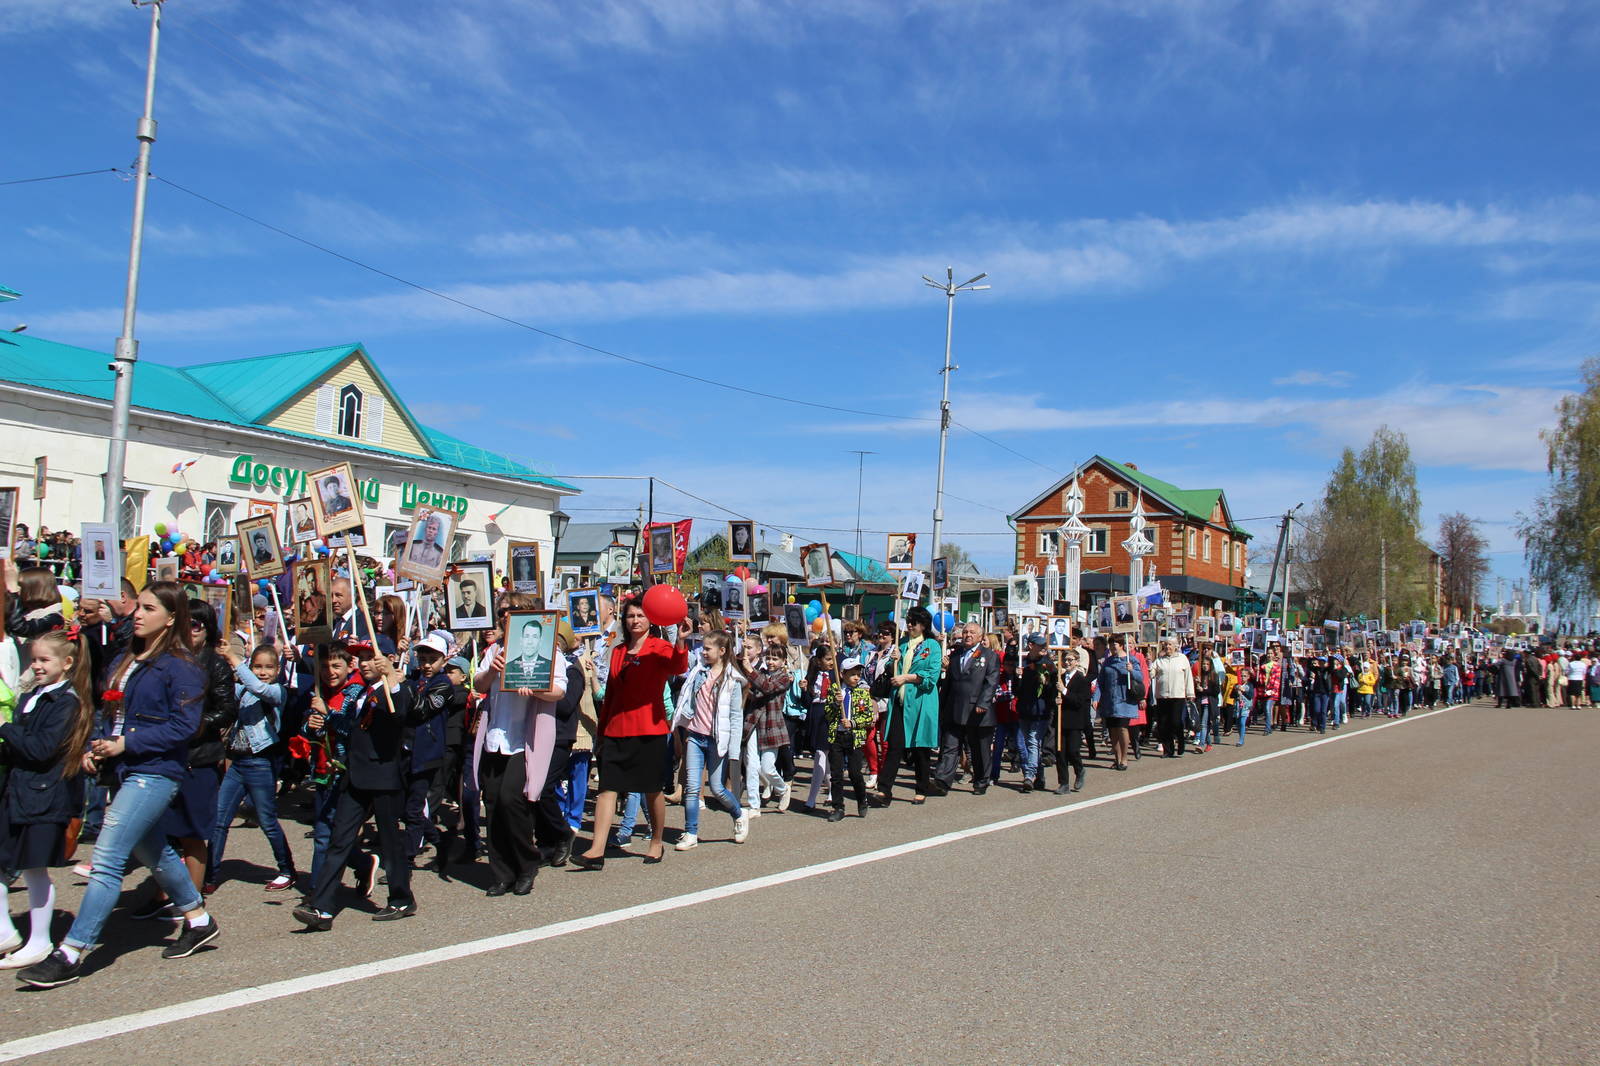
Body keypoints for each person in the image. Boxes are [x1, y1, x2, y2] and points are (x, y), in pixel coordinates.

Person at [19, 583, 221, 989]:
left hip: (157, 771)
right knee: (154, 850)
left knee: (108, 856)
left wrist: (128, 743)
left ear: (171, 617)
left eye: (149, 608)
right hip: (127, 768)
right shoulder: (130, 656)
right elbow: (115, 713)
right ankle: (199, 919)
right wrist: (99, 747)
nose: (139, 615)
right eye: (139, 607)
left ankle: (72, 950)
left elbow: (185, 726)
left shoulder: (181, 665)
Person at [293, 636, 423, 931]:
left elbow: (401, 714)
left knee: (390, 841)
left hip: (384, 777)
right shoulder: (360, 693)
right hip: (355, 776)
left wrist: (392, 678)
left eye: (370, 658)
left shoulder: (397, 690)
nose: (363, 664)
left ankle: (402, 898)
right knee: (339, 840)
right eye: (360, 659)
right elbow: (349, 729)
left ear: (386, 659)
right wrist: (323, 718)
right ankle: (322, 907)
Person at [1, 630, 95, 970]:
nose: (37, 666)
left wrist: (4, 727)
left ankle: (40, 940)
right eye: (34, 660)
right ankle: (5, 932)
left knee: (33, 870)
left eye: (44, 660)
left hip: (43, 795)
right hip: (19, 790)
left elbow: (40, 750)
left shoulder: (66, 702)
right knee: (8, 864)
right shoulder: (33, 696)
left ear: (67, 663)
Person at [574, 598, 688, 869]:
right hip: (617, 728)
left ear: (650, 620)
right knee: (607, 788)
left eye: (640, 615)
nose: (635, 620)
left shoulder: (660, 647)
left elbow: (678, 667)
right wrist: (602, 731)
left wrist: (681, 640)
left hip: (649, 729)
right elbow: (612, 693)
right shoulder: (618, 651)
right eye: (631, 616)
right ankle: (596, 849)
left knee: (651, 789)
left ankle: (656, 841)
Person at [472, 606, 570, 895]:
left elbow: (559, 691)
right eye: (504, 616)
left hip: (524, 739)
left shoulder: (551, 654)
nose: (507, 620)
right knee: (492, 803)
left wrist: (536, 689)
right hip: (495, 735)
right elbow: (479, 683)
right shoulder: (496, 651)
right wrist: (493, 670)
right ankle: (502, 873)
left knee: (511, 800)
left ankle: (527, 863)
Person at [206, 643, 297, 893]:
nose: (262, 672)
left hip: (260, 763)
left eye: (269, 667)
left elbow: (259, 688)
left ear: (277, 670)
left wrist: (234, 659)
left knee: (267, 821)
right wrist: (219, 662)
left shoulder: (277, 691)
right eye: (257, 666)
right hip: (237, 763)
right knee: (219, 820)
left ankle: (287, 870)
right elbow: (223, 690)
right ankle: (209, 875)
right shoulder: (243, 690)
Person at [670, 632, 749, 850]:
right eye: (703, 648)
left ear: (722, 651)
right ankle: (691, 832)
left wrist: (734, 750)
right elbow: (683, 680)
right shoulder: (699, 672)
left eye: (707, 649)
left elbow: (735, 717)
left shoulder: (732, 680)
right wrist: (680, 639)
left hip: (716, 740)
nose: (703, 652)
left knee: (717, 788)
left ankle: (739, 814)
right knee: (692, 787)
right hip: (696, 737)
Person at [872, 606, 941, 806]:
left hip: (920, 703)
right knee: (894, 746)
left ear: (923, 625)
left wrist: (907, 678)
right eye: (908, 621)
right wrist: (893, 661)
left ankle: (922, 787)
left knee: (920, 748)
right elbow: (891, 671)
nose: (910, 625)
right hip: (900, 703)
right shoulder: (901, 644)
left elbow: (931, 677)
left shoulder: (932, 646)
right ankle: (884, 790)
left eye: (914, 622)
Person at [934, 621, 998, 795]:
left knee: (979, 750)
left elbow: (991, 682)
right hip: (955, 709)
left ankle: (981, 782)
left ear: (980, 636)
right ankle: (942, 781)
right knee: (950, 746)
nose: (968, 635)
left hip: (977, 711)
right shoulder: (955, 655)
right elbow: (949, 683)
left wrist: (983, 703)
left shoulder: (989, 656)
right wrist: (942, 705)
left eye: (972, 632)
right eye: (965, 632)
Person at [823, 656, 872, 820]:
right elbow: (828, 714)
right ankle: (838, 807)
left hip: (854, 737)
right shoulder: (835, 690)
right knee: (836, 774)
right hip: (837, 736)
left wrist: (853, 723)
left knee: (855, 772)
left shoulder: (862, 692)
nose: (856, 677)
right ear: (842, 674)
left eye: (858, 674)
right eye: (852, 674)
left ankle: (862, 800)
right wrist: (836, 704)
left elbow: (868, 717)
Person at [1014, 632, 1058, 791]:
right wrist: (1017, 677)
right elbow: (1016, 691)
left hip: (1040, 710)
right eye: (1040, 645)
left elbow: (1052, 689)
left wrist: (1048, 683)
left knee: (1033, 742)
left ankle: (1029, 775)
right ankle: (1040, 776)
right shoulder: (1022, 663)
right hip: (1025, 709)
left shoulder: (1048, 664)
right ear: (1031, 645)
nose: (1043, 647)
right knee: (1029, 744)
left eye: (1044, 644)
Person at [1096, 634, 1144, 772]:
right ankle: (1117, 758)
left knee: (1122, 728)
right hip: (1110, 701)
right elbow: (1100, 682)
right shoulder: (1108, 661)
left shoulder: (1131, 660)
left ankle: (1124, 758)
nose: (1112, 647)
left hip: (1125, 700)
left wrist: (1131, 670)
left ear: (1121, 645)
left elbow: (1140, 677)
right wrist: (1096, 698)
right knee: (1113, 730)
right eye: (1110, 645)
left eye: (1114, 644)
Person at [1052, 646, 1092, 794]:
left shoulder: (1082, 680)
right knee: (1060, 752)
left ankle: (1079, 769)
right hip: (1061, 721)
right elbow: (1052, 697)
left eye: (1070, 660)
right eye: (1065, 660)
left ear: (1077, 661)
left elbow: (1080, 701)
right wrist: (1055, 700)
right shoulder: (1059, 678)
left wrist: (1064, 691)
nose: (1067, 662)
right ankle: (1063, 783)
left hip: (1074, 721)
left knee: (1073, 750)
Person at [1151, 638, 1195, 757]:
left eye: (1170, 644)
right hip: (1162, 696)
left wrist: (1190, 693)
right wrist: (1151, 670)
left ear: (1175, 646)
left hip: (1177, 695)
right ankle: (1168, 749)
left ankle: (1180, 740)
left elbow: (1188, 676)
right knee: (1163, 724)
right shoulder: (1160, 660)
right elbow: (1152, 671)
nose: (1167, 647)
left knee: (1175, 722)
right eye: (1165, 645)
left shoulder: (1182, 659)